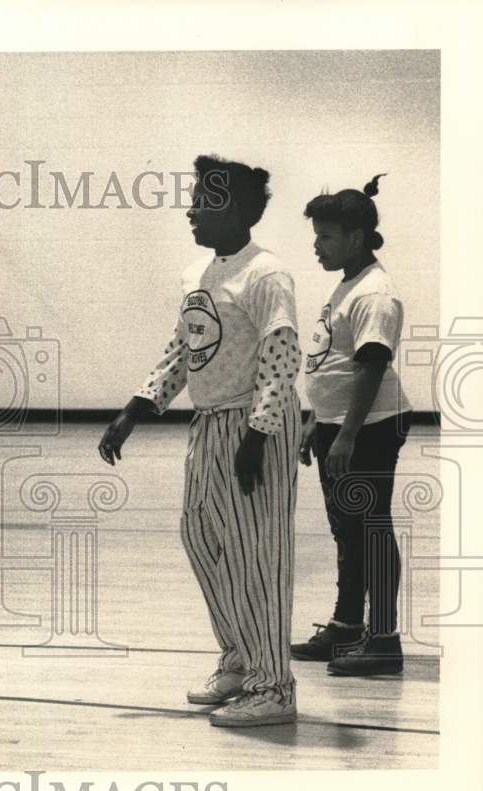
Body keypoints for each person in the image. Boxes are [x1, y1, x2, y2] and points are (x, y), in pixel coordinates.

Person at [99, 155, 302, 728]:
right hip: (210, 423)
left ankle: (275, 686)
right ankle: (240, 657)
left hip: (253, 426)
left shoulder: (267, 275)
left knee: (257, 556)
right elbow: (182, 352)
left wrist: (258, 436)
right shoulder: (199, 275)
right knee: (200, 537)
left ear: (232, 209)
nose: (189, 209)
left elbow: (281, 359)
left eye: (202, 201)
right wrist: (133, 411)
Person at [292, 175, 413, 676]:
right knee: (349, 531)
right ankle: (346, 627)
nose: (316, 245)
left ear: (356, 238)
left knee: (371, 530)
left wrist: (346, 434)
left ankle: (383, 640)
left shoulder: (375, 293)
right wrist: (315, 422)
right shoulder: (350, 283)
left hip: (369, 428)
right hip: (337, 426)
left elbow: (370, 366)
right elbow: (333, 361)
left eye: (325, 237)